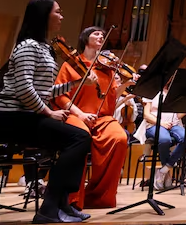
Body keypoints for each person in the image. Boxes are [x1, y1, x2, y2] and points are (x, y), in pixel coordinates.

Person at [0, 0, 94, 223]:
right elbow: (24, 88)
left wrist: (76, 83)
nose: (62, 16)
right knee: (79, 138)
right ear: (43, 15)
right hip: (11, 118)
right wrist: (48, 113)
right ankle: (50, 207)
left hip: (27, 116)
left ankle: (62, 203)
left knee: (79, 138)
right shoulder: (28, 46)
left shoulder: (44, 48)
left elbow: (45, 90)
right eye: (58, 12)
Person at [53, 27, 132, 210]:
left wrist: (126, 84)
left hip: (101, 118)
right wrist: (80, 114)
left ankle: (97, 196)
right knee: (80, 137)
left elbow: (110, 97)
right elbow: (60, 97)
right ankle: (72, 199)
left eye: (102, 35)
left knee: (119, 138)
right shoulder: (71, 64)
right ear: (85, 38)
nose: (101, 36)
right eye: (96, 33)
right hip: (75, 115)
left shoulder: (106, 68)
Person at [134, 75, 186, 192]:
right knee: (165, 139)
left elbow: (177, 115)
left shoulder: (173, 92)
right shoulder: (151, 91)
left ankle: (164, 170)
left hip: (173, 125)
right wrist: (161, 123)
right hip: (154, 125)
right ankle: (166, 174)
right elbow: (146, 115)